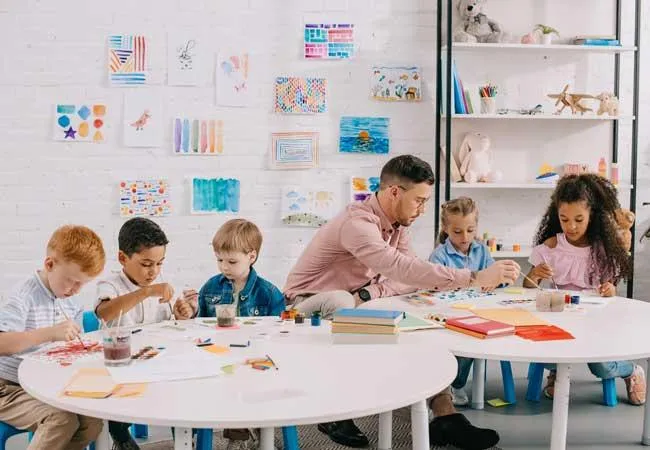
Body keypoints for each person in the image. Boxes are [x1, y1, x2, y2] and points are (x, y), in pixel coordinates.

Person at [284, 155, 520, 449]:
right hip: (305, 307)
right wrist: (474, 277)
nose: (423, 210)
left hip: (356, 300)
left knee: (422, 318)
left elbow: (409, 275)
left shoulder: (399, 225)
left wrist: (371, 293)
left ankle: (446, 415)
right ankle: (336, 408)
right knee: (342, 298)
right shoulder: (357, 223)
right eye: (419, 200)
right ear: (395, 192)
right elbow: (399, 268)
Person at [524, 173, 645, 405]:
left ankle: (630, 370)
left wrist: (610, 289)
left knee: (600, 365)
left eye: (579, 219)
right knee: (543, 351)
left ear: (592, 216)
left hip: (595, 323)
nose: (571, 226)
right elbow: (527, 288)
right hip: (558, 320)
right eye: (564, 219)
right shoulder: (550, 247)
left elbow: (610, 292)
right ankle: (556, 373)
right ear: (556, 216)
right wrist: (535, 275)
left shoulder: (602, 249)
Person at [176, 219, 284, 450]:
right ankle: (238, 433)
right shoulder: (210, 288)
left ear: (251, 256)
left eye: (232, 261)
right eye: (219, 260)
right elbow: (199, 328)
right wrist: (190, 312)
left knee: (246, 379)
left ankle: (254, 429)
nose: (224, 267)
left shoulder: (269, 293)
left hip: (258, 360)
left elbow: (280, 333)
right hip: (219, 357)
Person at [0, 225, 105, 450]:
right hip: (6, 388)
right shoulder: (24, 296)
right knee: (61, 420)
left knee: (92, 422)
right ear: (50, 265)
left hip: (43, 384)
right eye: (72, 281)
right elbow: (2, 343)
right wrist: (49, 333)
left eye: (82, 284)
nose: (77, 289)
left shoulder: (70, 299)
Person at [95, 218, 196, 449]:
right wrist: (147, 292)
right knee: (114, 405)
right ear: (123, 258)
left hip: (157, 361)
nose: (154, 271)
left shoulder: (160, 282)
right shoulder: (110, 285)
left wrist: (182, 315)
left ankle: (184, 437)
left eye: (160, 263)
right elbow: (105, 313)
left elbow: (169, 323)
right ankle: (120, 438)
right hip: (122, 365)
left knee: (181, 391)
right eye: (146, 264)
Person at [429, 197, 495, 406]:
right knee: (463, 343)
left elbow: (494, 276)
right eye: (457, 232)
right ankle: (453, 385)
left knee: (477, 339)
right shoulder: (439, 256)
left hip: (479, 311)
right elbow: (433, 286)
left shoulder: (482, 251)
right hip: (448, 314)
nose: (465, 237)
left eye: (470, 230)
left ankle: (457, 384)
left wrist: (495, 281)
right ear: (446, 229)